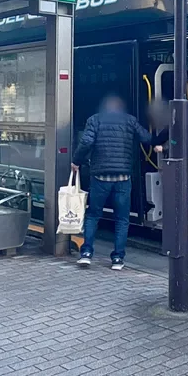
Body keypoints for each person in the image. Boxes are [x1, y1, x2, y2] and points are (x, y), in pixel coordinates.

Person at [72, 95, 164, 270]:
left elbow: (86, 142)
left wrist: (76, 161)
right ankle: (117, 259)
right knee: (122, 220)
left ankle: (86, 254)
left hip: (100, 177)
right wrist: (164, 137)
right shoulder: (130, 121)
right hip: (123, 177)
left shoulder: (95, 120)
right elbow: (147, 138)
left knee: (92, 215)